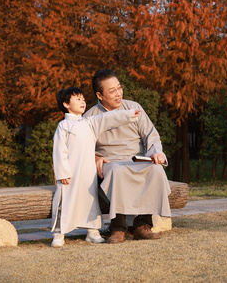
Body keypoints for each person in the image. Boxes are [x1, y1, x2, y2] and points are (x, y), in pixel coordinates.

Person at [83, 69, 172, 244]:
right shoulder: (90, 117)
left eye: (119, 88)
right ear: (100, 95)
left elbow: (151, 136)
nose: (118, 94)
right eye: (112, 91)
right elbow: (79, 148)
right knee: (117, 171)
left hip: (137, 159)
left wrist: (157, 152)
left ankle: (142, 226)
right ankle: (117, 228)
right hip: (111, 162)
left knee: (156, 170)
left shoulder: (134, 107)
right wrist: (93, 157)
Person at [50, 87, 140, 247]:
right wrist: (62, 173)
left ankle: (92, 232)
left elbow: (108, 118)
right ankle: (59, 233)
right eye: (77, 99)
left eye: (83, 99)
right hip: (69, 175)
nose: (82, 102)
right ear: (66, 104)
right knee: (65, 202)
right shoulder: (63, 126)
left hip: (88, 174)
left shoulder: (89, 123)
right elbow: (59, 151)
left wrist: (128, 114)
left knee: (90, 202)